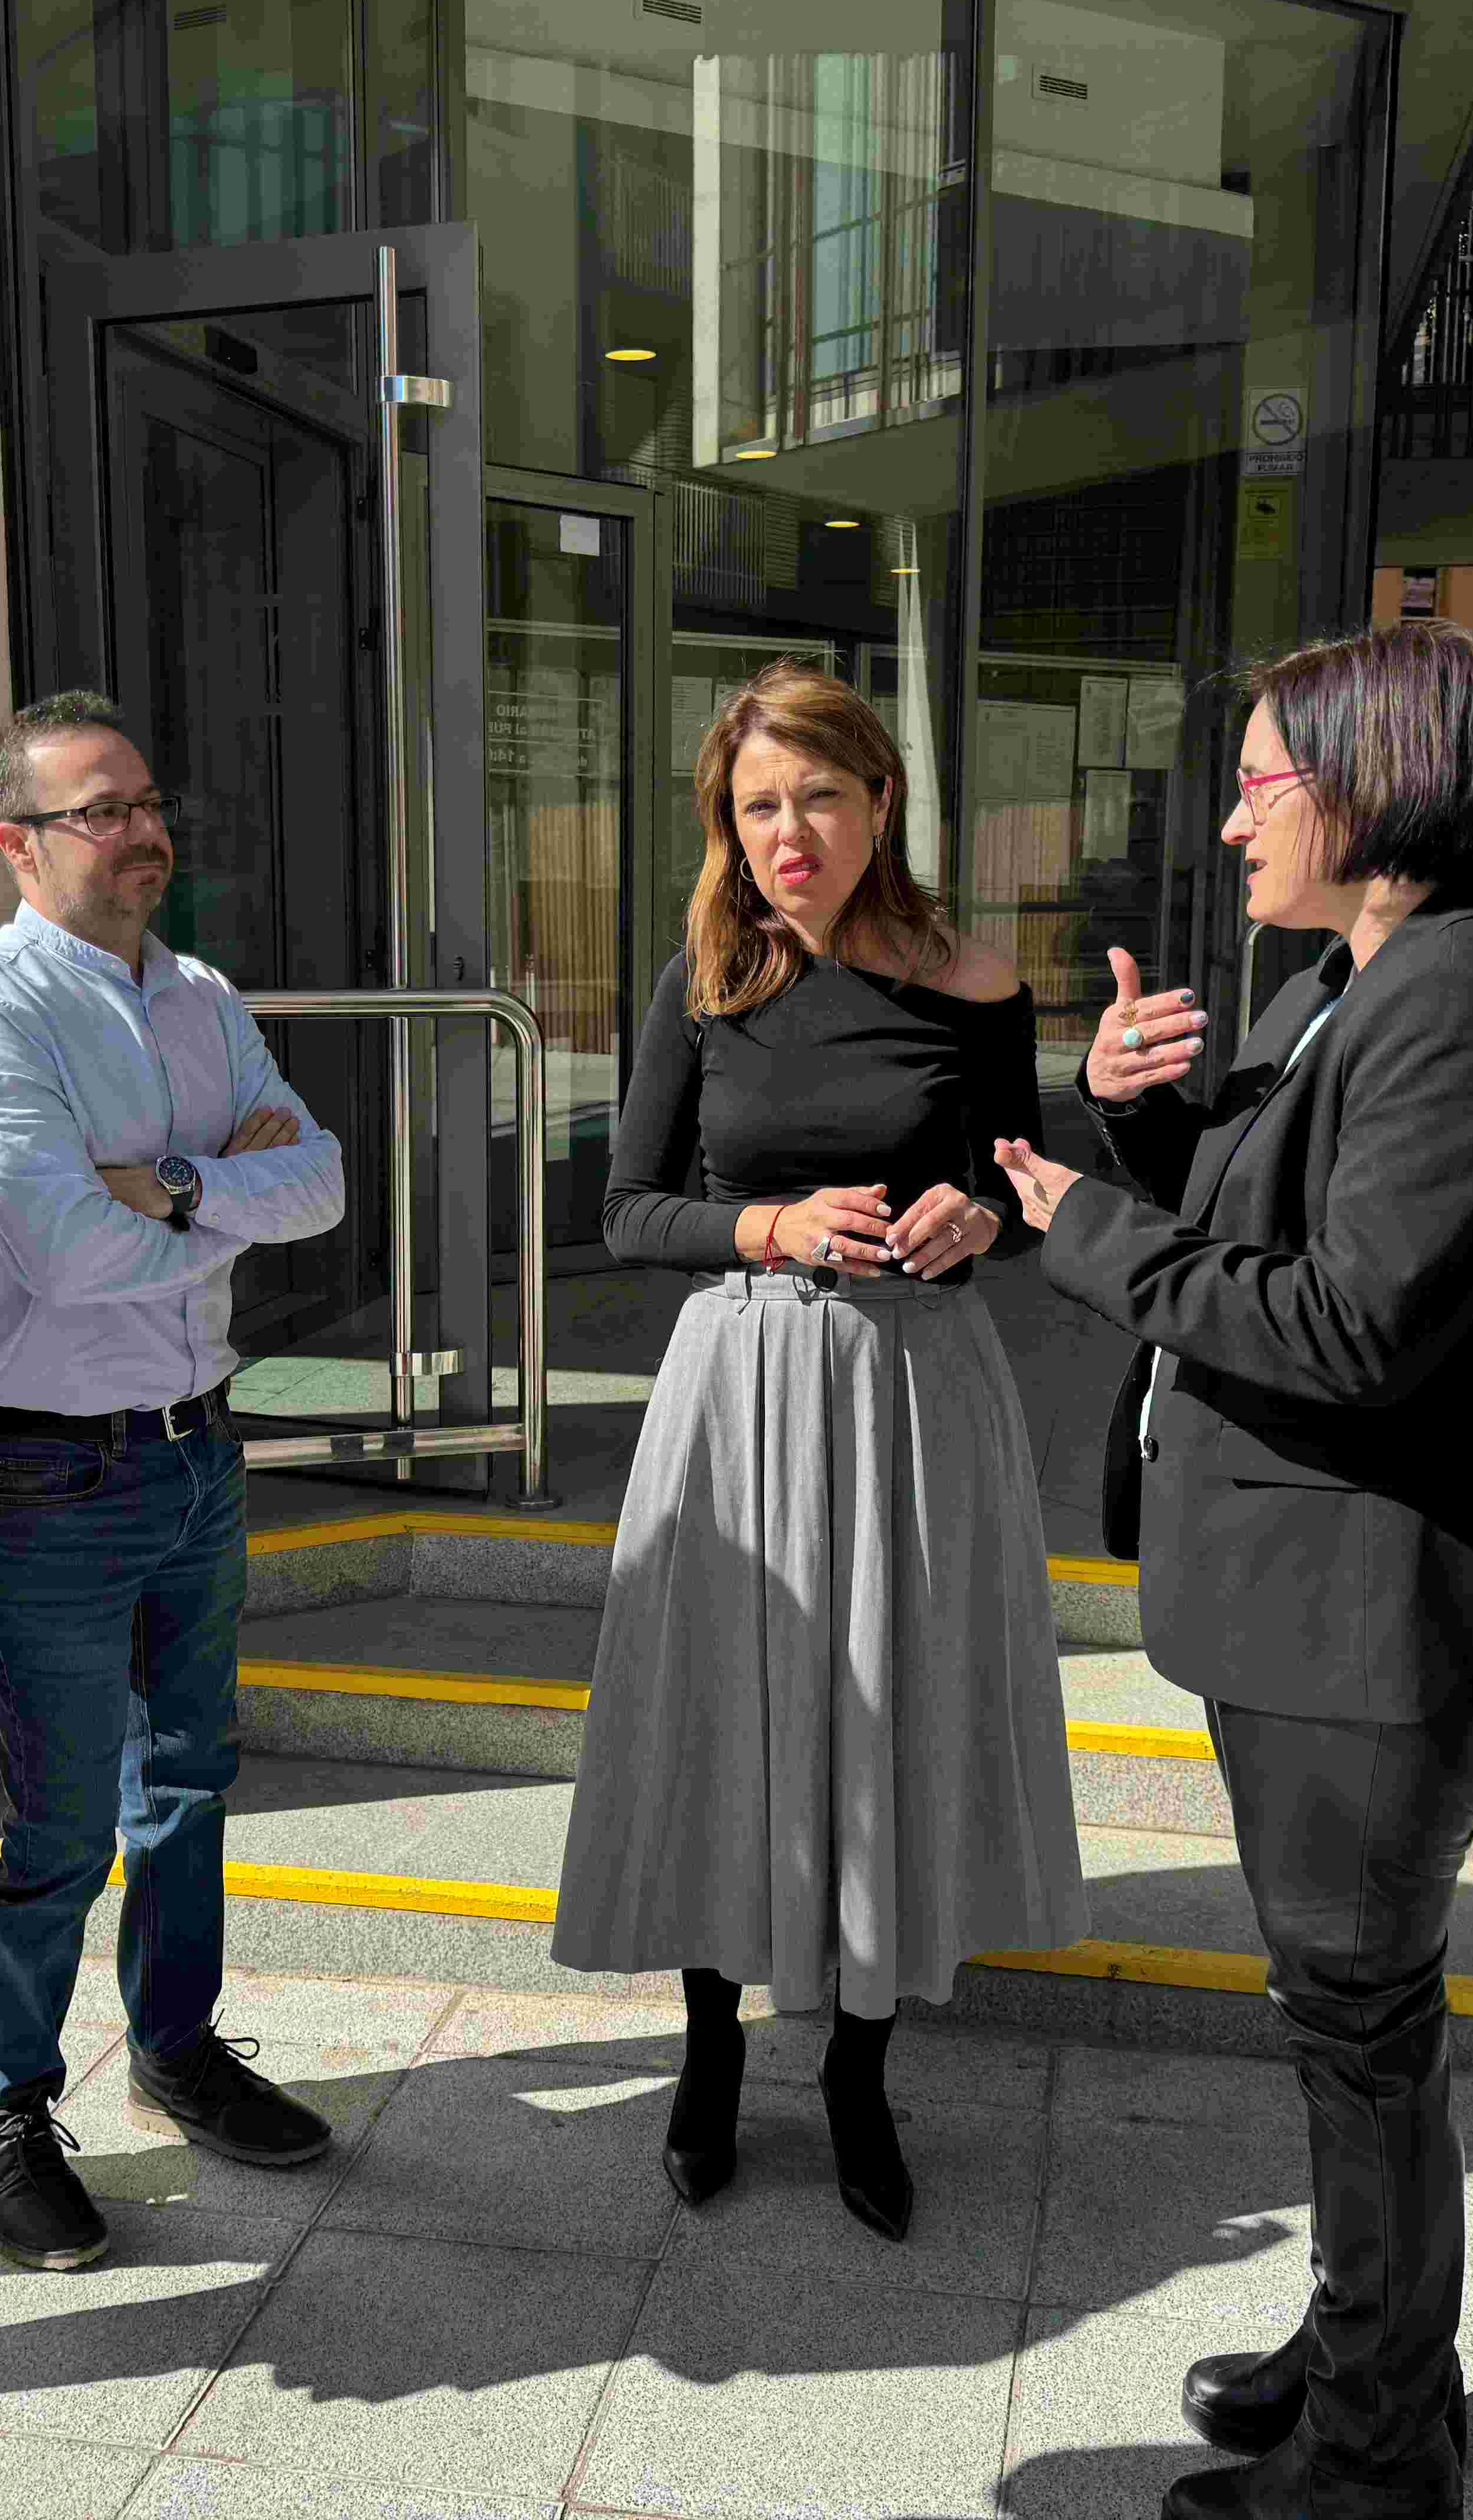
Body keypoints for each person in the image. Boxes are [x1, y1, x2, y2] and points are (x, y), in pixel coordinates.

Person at [991, 624, 1473, 2520]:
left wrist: (1084, 1224)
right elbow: (1270, 1209)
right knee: (1348, 2034)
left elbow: (1347, 1324)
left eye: (1266, 777)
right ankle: (1365, 2349)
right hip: (1297, 1599)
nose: (1238, 812)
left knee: (1361, 2028)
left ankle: (1378, 2450)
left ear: (1377, 778)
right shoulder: (1356, 970)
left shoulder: (1463, 992)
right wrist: (1144, 1116)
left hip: (1369, 1623)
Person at [551, 657, 1088, 2243]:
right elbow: (627, 1212)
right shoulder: (701, 983)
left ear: (883, 802)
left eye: (819, 798)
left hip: (920, 1396)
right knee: (732, 1711)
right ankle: (712, 2046)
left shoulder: (979, 985)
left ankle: (861, 2065)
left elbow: (1017, 1193)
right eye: (759, 804)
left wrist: (981, 1213)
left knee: (889, 1713)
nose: (789, 832)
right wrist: (769, 1222)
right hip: (746, 1387)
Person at [0, 688, 346, 2270]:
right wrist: (229, 1183)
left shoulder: (204, 997)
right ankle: (6, 2105)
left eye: (149, 801)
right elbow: (64, 1249)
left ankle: (175, 2045)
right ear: (20, 842)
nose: (144, 830)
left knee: (192, 1781)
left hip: (193, 1451)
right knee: (63, 1824)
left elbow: (327, 1182)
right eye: (103, 809)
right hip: (48, 1476)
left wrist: (168, 1181)